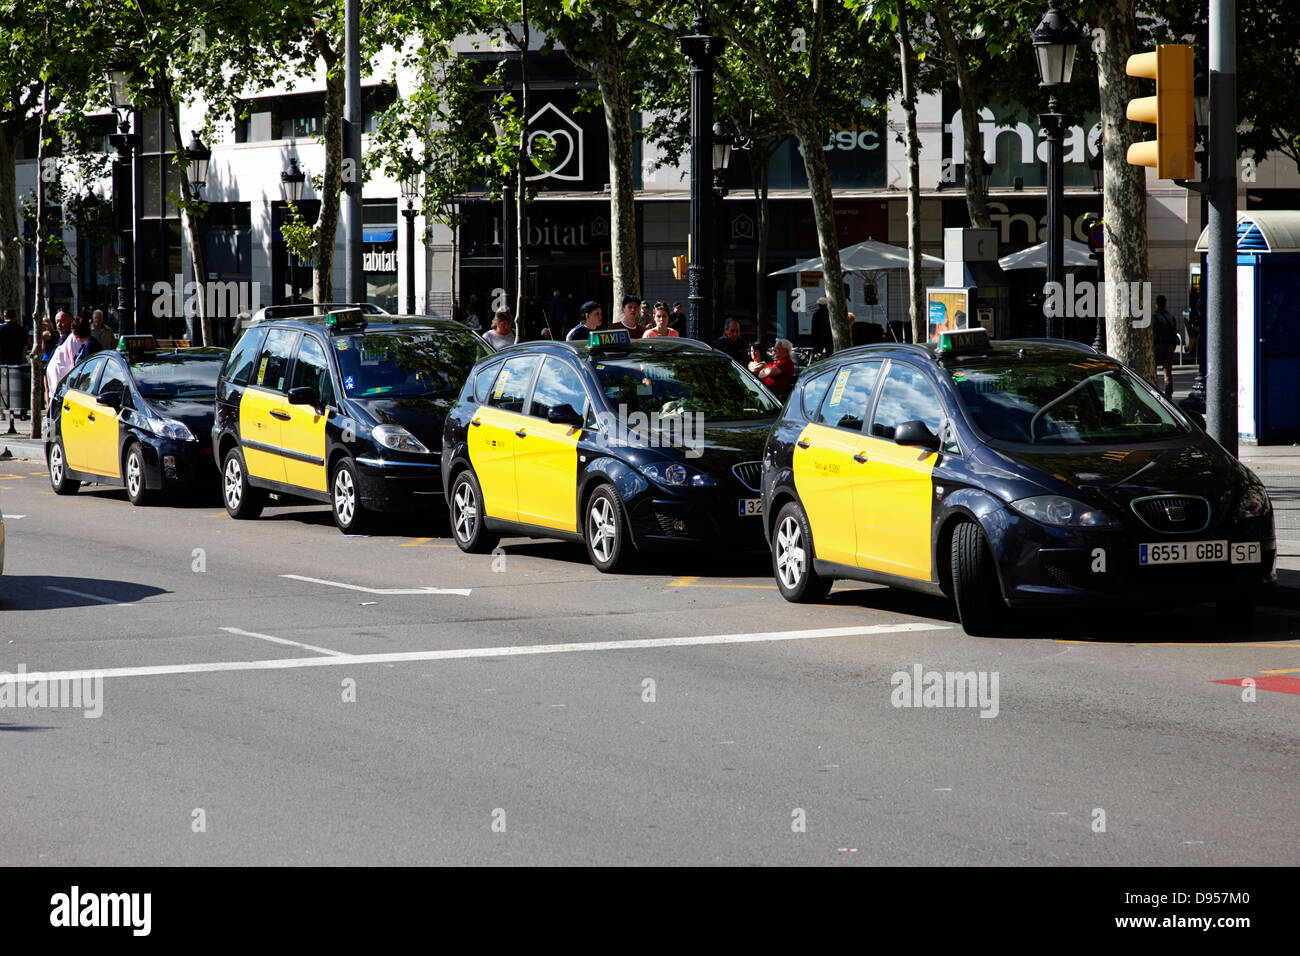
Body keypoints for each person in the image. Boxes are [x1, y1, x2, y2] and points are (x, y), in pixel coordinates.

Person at [1153, 295, 1177, 399]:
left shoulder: (1155, 317)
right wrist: (1173, 346)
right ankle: (1168, 394)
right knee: (1168, 372)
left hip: (1158, 345)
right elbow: (1174, 333)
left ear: (1156, 305)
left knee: (1153, 370)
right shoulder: (1171, 316)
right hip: (1169, 346)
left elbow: (1153, 332)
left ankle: (1154, 391)